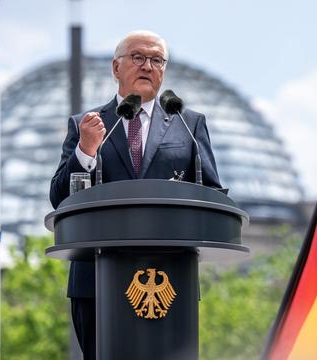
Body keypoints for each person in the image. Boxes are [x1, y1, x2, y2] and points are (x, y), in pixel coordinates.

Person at [49, 30, 221, 359]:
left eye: (156, 60)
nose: (147, 66)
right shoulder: (88, 125)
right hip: (96, 283)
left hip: (172, 281)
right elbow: (60, 198)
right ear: (116, 68)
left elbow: (211, 191)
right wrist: (86, 151)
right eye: (138, 58)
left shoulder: (190, 125)